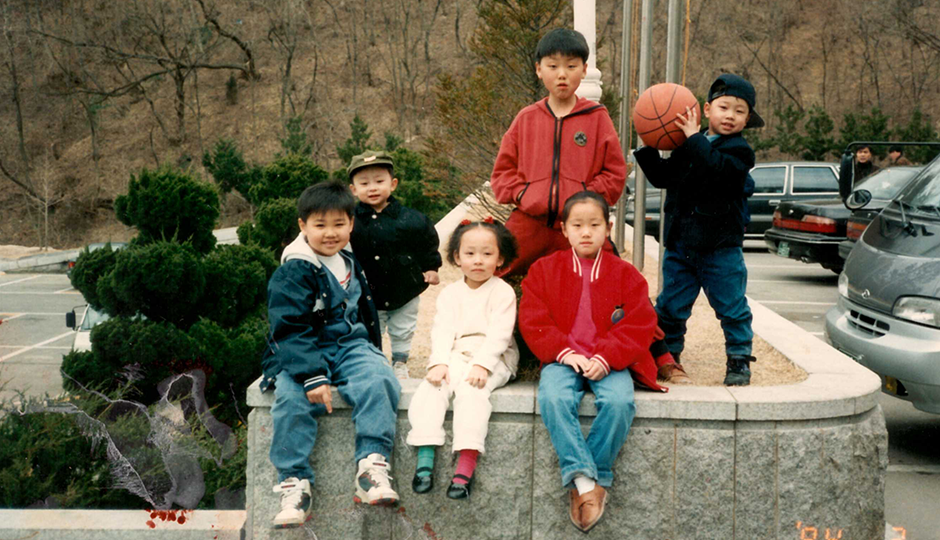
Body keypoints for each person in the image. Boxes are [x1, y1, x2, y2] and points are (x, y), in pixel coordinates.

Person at [519, 191, 664, 533]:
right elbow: (533, 318)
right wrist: (563, 352)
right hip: (563, 358)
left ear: (608, 228)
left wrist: (606, 356)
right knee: (554, 398)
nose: (586, 232)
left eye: (595, 225)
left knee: (619, 402)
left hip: (609, 360)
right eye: (577, 225)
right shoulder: (544, 270)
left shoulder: (626, 274)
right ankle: (588, 483)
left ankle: (585, 480)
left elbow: (639, 323)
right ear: (564, 229)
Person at [260, 181, 402, 530]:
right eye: (319, 225)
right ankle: (294, 483)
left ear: (351, 224)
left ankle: (371, 465)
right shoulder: (295, 269)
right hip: (304, 350)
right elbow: (289, 327)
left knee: (380, 379)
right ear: (303, 226)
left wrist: (372, 350)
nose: (330, 233)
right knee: (291, 400)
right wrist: (312, 375)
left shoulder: (348, 258)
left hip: (350, 345)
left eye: (339, 224)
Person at [633, 73, 764, 386]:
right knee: (671, 306)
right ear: (706, 110)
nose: (730, 115)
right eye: (723, 107)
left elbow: (715, 168)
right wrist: (648, 143)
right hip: (682, 246)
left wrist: (693, 138)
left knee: (732, 307)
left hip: (721, 247)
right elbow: (663, 177)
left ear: (747, 119)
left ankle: (739, 359)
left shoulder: (740, 152)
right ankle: (669, 357)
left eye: (739, 111)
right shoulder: (687, 145)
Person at [490, 27, 627, 277]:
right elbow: (502, 173)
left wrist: (585, 197)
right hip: (530, 222)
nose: (562, 74)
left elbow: (615, 174)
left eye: (571, 66)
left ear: (584, 70)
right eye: (553, 66)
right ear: (539, 69)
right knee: (490, 268)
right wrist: (524, 194)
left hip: (578, 225)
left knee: (614, 278)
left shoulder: (597, 118)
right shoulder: (526, 118)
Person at [406, 218, 520, 500]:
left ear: (500, 258)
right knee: (433, 387)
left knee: (472, 391)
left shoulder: (502, 292)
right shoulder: (450, 293)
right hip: (458, 352)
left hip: (494, 357)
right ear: (457, 257)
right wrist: (439, 362)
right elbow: (442, 330)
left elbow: (500, 334)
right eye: (470, 253)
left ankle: (466, 465)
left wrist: (482, 364)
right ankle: (425, 456)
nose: (478, 260)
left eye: (487, 253)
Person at [348, 150, 442, 380]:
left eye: (379, 181)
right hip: (367, 290)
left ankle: (400, 362)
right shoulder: (348, 220)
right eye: (364, 183)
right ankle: (374, 362)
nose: (372, 188)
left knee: (403, 327)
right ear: (353, 189)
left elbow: (427, 243)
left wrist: (431, 267)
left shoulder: (412, 219)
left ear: (393, 184)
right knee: (371, 327)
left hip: (404, 287)